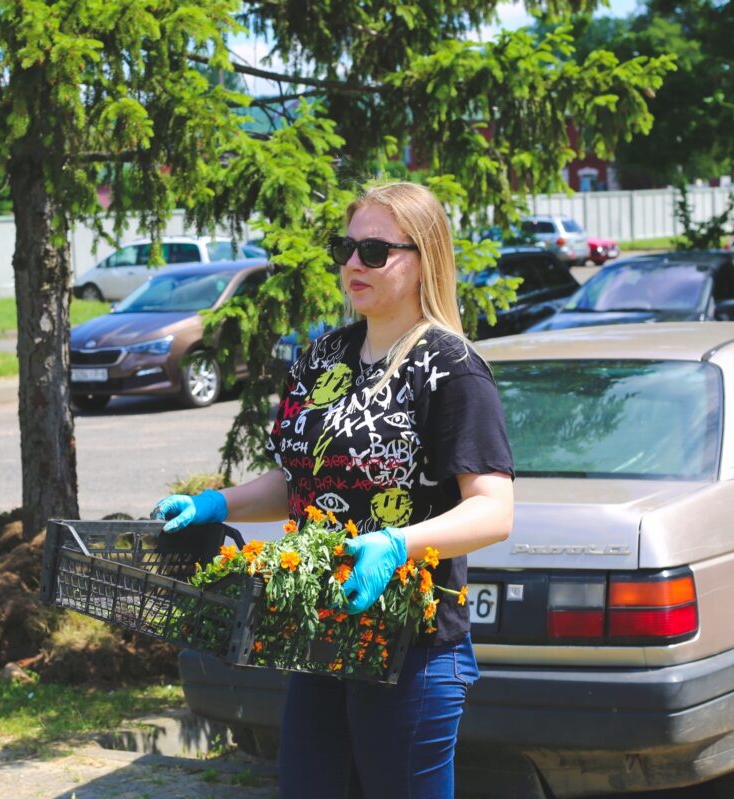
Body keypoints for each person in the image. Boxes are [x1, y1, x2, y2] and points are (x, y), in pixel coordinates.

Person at [152, 181, 514, 798]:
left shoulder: (451, 368)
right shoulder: (325, 356)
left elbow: (493, 510)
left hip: (413, 648)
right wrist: (216, 503)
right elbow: (297, 482)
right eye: (344, 247)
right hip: (319, 636)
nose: (352, 264)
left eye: (374, 251)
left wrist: (396, 544)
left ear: (423, 257)